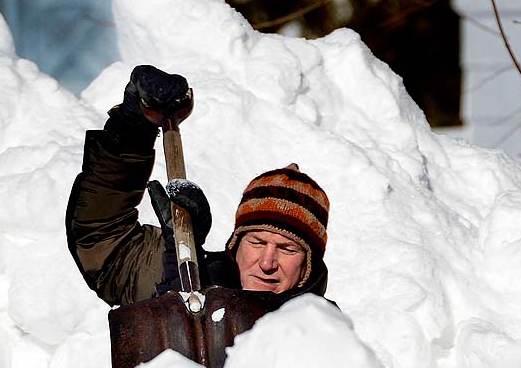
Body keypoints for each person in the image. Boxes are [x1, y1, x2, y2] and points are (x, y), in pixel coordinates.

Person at [66, 65, 330, 308]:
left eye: (287, 248)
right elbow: (102, 240)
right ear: (236, 245)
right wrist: (133, 129)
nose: (266, 263)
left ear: (308, 264)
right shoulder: (191, 274)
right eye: (257, 242)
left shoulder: (325, 338)